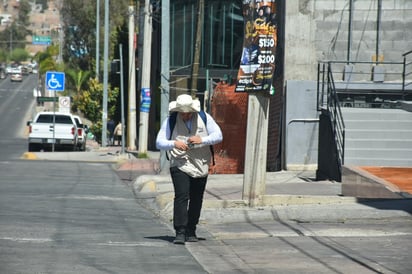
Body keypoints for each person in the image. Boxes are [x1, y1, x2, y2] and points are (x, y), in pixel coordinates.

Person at [156, 94, 223, 244]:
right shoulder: (171, 121)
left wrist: (202, 140)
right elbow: (159, 142)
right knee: (181, 195)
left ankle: (191, 229)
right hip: (179, 162)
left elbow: (218, 136)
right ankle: (180, 231)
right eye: (182, 113)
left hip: (201, 163)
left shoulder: (204, 118)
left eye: (188, 113)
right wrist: (174, 143)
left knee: (196, 197)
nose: (185, 116)